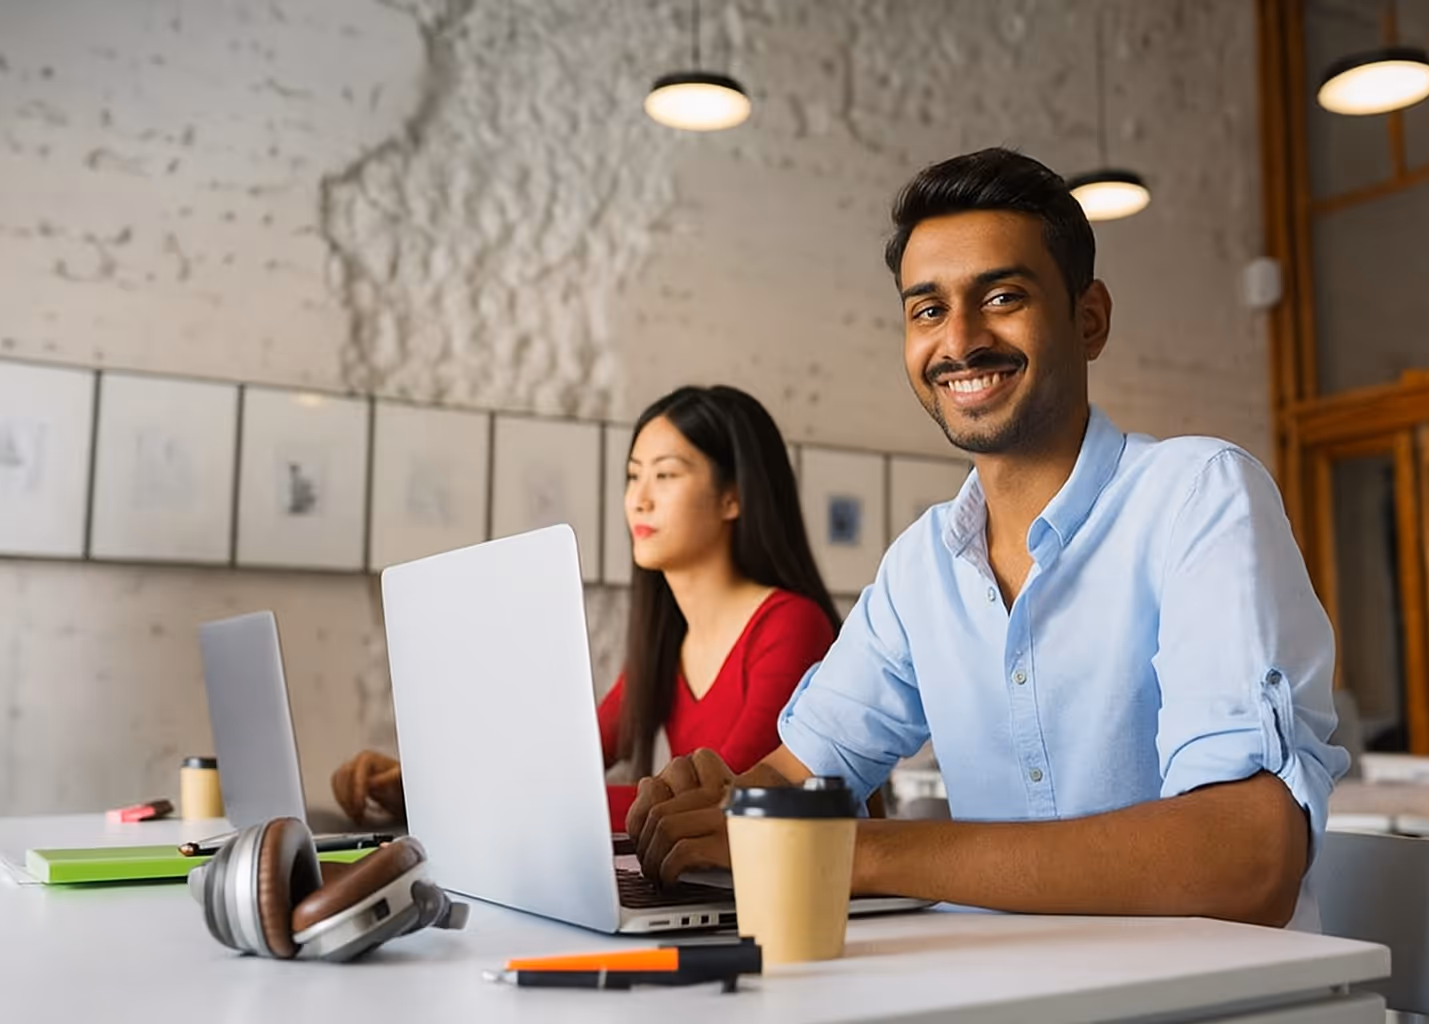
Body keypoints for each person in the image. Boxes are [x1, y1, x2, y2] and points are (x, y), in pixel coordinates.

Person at [624, 148, 1349, 930]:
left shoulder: (1197, 496)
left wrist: (848, 851)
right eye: (927, 310)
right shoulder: (920, 569)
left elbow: (1246, 858)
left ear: (1090, 318)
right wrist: (713, 804)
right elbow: (796, 775)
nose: (960, 340)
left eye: (1002, 296)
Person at [332, 385, 841, 828]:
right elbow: (564, 764)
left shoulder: (790, 625)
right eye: (632, 475)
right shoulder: (668, 646)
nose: (638, 499)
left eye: (665, 476)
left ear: (733, 497)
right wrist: (425, 788)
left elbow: (718, 800)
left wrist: (491, 803)